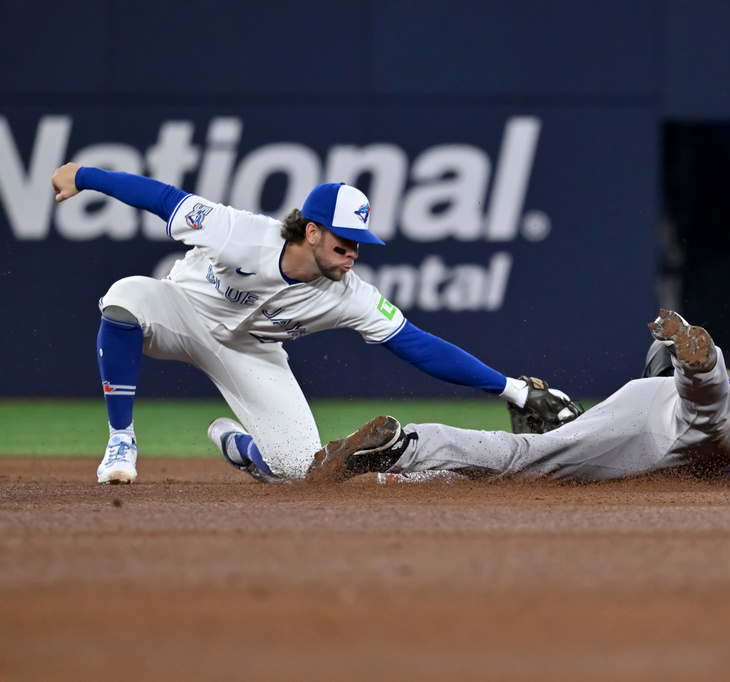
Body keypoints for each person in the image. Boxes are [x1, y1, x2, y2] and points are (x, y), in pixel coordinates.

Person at [51, 163, 574, 484]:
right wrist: (85, 176)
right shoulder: (238, 233)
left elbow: (418, 345)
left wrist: (516, 392)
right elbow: (161, 198)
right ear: (313, 231)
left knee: (302, 471)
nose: (353, 256)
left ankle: (237, 445)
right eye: (344, 244)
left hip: (250, 355)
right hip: (180, 314)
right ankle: (122, 438)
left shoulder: (350, 295)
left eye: (360, 247)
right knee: (123, 297)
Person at [307, 310, 730, 489]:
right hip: (708, 416)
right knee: (714, 423)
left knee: (527, 455)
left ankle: (406, 442)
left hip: (636, 415)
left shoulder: (635, 387)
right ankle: (705, 362)